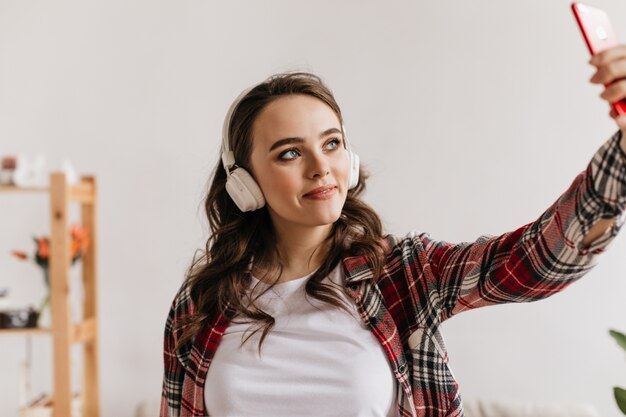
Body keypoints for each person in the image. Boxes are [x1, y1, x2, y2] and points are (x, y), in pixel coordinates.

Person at [161, 46, 626, 417]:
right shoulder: (201, 304)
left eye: (332, 143)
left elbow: (535, 263)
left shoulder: (403, 273)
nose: (322, 168)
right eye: (289, 153)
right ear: (245, 183)